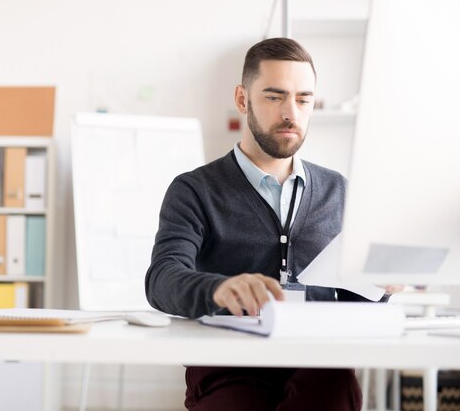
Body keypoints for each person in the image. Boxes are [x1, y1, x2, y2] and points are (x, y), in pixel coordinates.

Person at [144, 38, 401, 411]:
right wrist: (222, 289)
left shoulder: (339, 192)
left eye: (303, 99)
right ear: (242, 99)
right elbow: (162, 279)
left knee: (338, 385)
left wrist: (378, 283)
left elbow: (350, 302)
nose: (290, 113)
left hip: (318, 366)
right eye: (274, 96)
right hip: (228, 369)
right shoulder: (195, 190)